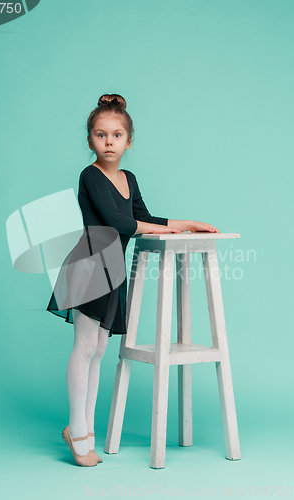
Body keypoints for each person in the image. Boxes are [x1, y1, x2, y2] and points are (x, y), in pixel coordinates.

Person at [47, 94, 220, 466]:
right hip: (89, 263)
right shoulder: (89, 175)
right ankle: (80, 433)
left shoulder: (129, 178)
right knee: (84, 346)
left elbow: (143, 215)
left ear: (129, 141)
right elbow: (120, 223)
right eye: (100, 134)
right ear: (90, 140)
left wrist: (185, 224)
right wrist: (168, 229)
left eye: (116, 135)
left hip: (112, 268)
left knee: (97, 350)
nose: (108, 141)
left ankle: (79, 427)